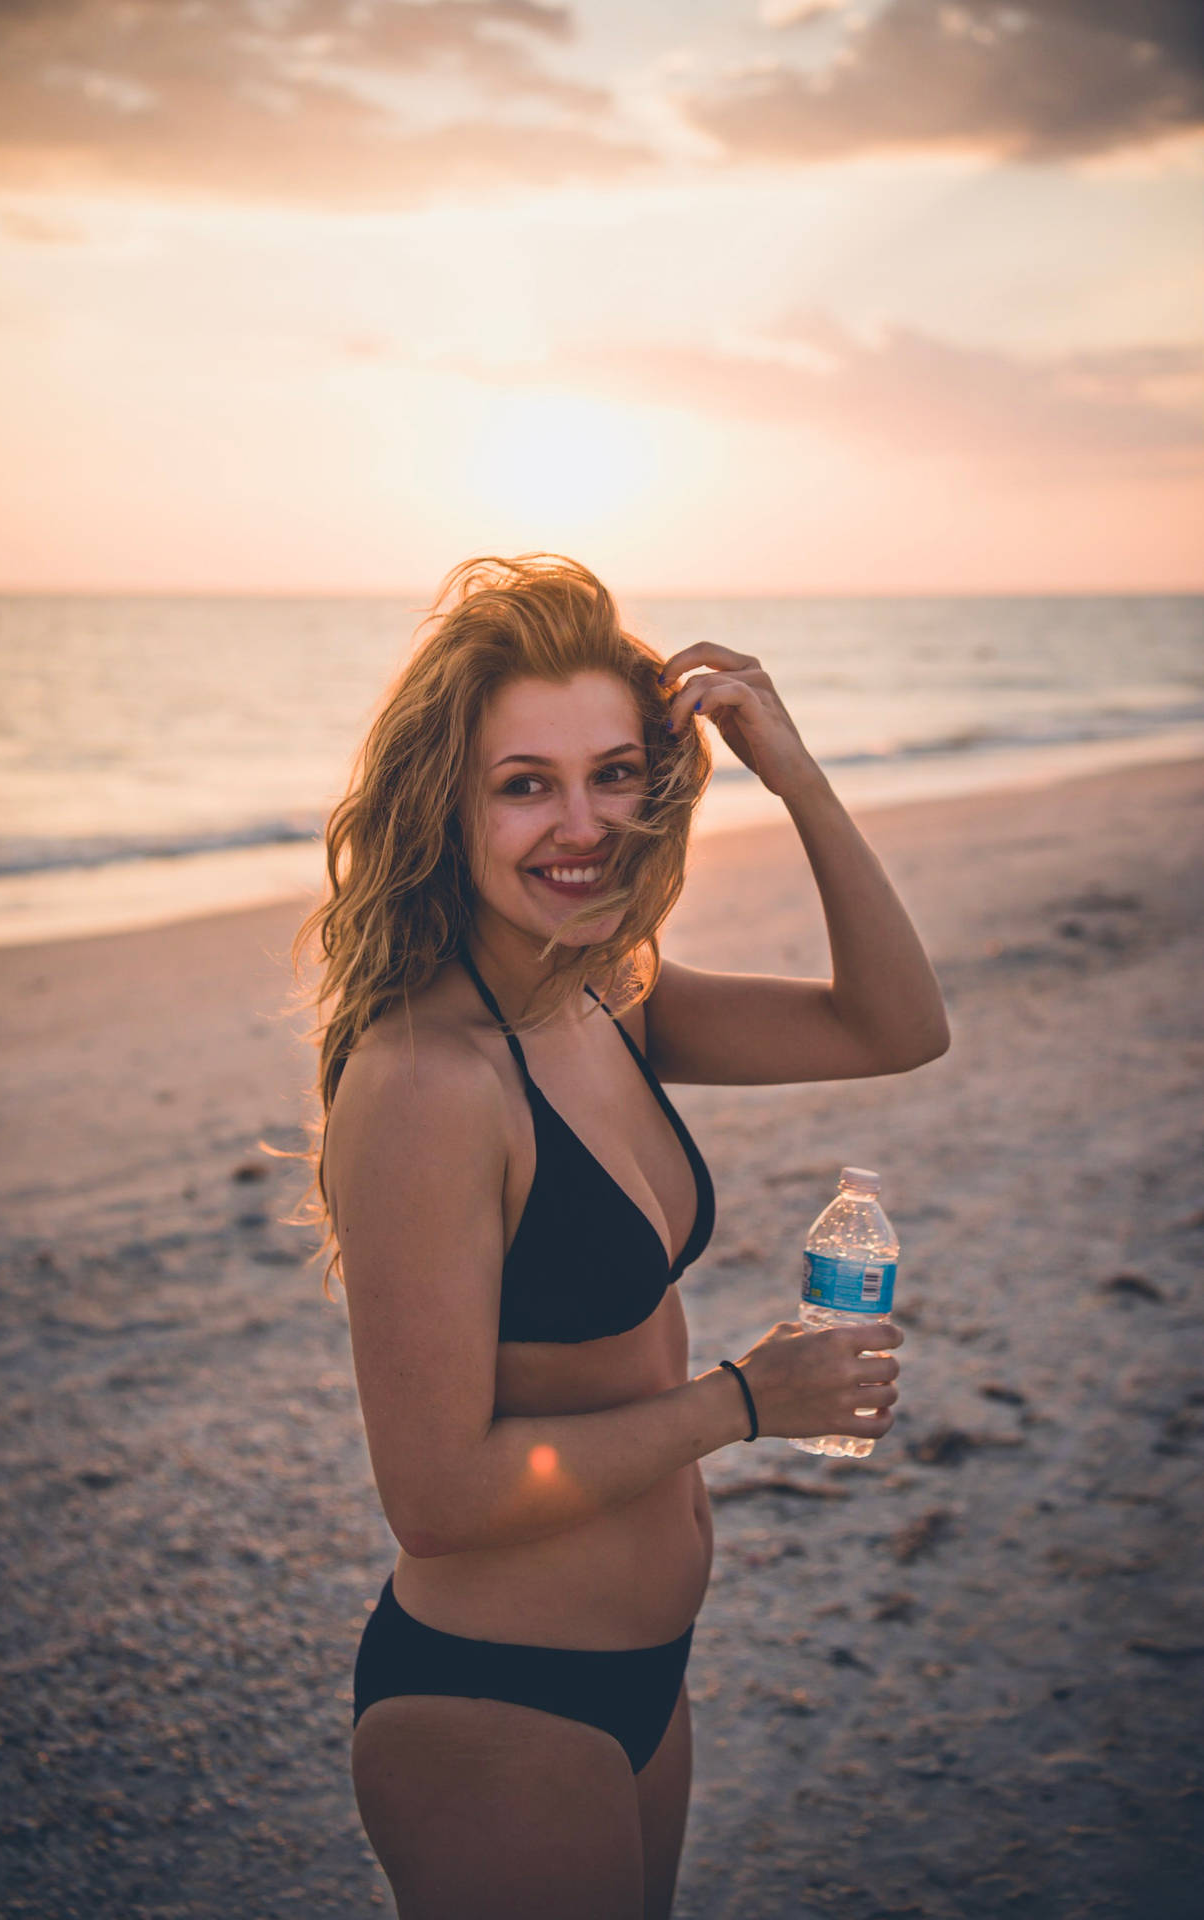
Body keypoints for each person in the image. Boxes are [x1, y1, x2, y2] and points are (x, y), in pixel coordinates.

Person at [298, 554, 949, 1920]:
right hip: (496, 1705)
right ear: (447, 808)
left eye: (610, 774)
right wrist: (740, 1405)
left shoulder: (604, 998)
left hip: (644, 1679)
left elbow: (891, 1027)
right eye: (523, 783)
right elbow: (438, 1498)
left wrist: (798, 776)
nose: (580, 824)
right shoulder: (430, 1082)